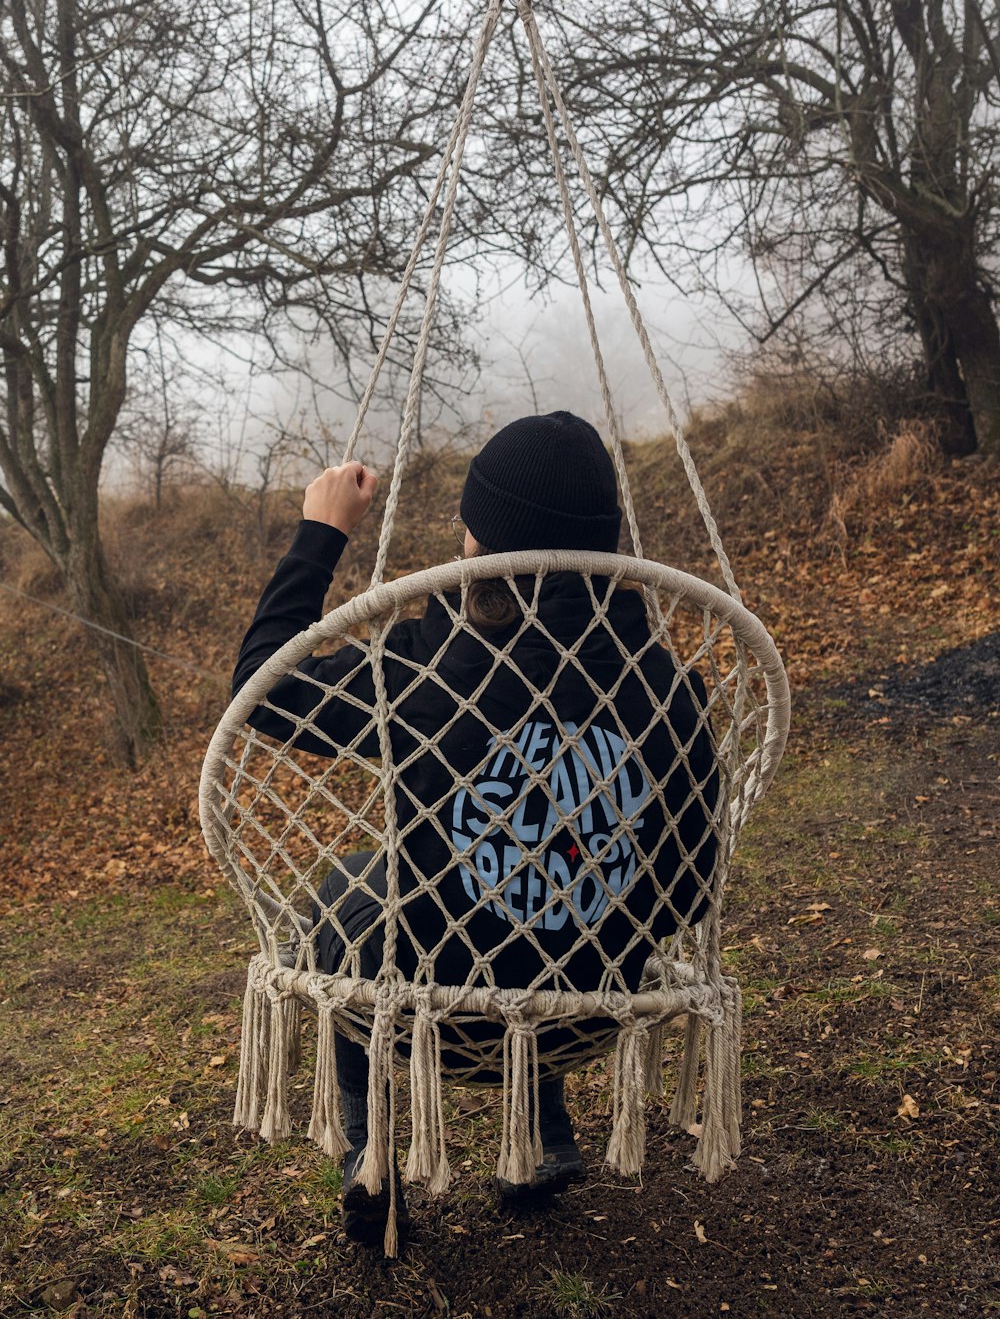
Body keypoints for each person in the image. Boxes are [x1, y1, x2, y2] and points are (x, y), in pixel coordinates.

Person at [232, 411, 719, 1246]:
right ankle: (539, 1130)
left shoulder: (434, 664)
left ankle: (368, 1149)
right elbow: (689, 881)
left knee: (353, 884)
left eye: (472, 526)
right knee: (546, 892)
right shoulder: (661, 680)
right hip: (599, 1002)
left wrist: (320, 533)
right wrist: (576, 896)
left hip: (435, 1007)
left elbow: (263, 689)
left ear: (485, 543)